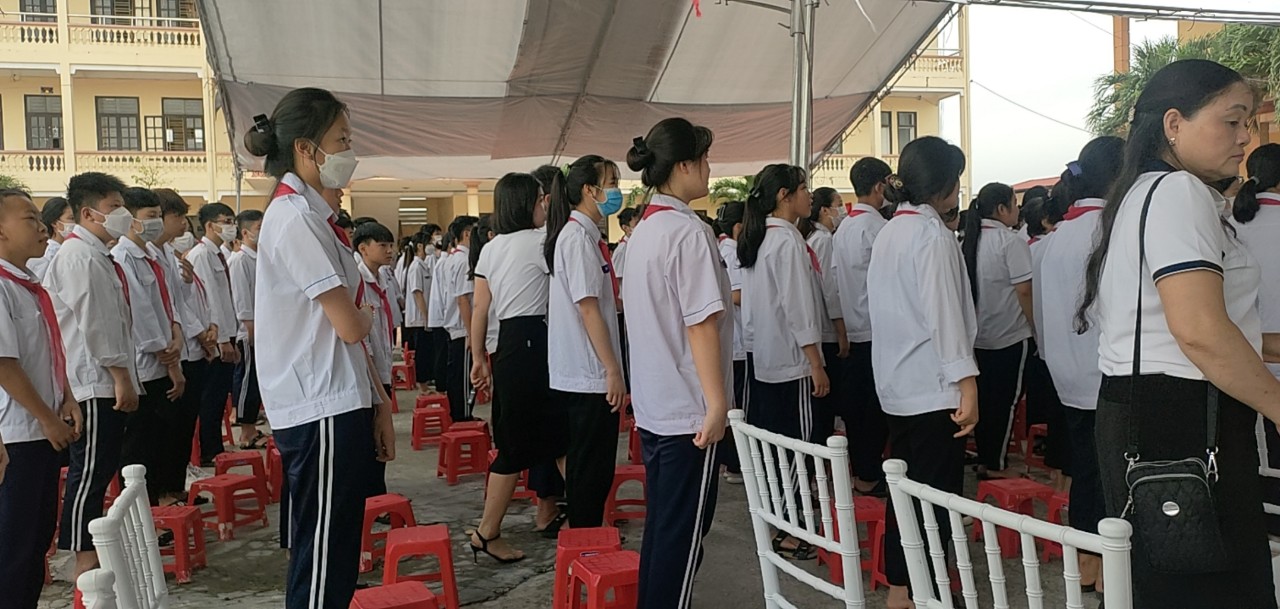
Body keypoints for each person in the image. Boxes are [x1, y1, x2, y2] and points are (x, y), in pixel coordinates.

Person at [1079, 59, 1280, 609]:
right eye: (1232, 121)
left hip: (1153, 411)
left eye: (1248, 124)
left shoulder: (1147, 191)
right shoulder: (1177, 192)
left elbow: (1181, 325)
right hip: (1184, 419)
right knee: (1213, 586)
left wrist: (1271, 346)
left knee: (1176, 580)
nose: (1245, 138)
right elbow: (1199, 332)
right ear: (1174, 124)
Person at [244, 87, 396, 609]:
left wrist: (378, 402)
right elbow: (350, 325)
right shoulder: (294, 218)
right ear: (306, 149)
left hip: (338, 397)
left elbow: (346, 330)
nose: (349, 152)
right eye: (342, 140)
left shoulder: (310, 215)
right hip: (320, 403)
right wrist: (366, 314)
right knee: (323, 555)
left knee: (336, 546)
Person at [623, 118, 731, 609]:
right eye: (705, 160)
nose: (709, 170)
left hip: (658, 403)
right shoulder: (688, 232)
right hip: (688, 409)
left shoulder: (645, 230)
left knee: (665, 530)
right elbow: (700, 324)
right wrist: (716, 404)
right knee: (682, 538)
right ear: (684, 165)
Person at [866, 136, 975, 609]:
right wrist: (967, 384)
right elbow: (946, 317)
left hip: (897, 384)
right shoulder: (931, 235)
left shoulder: (891, 230)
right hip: (933, 388)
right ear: (945, 185)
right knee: (935, 498)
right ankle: (924, 593)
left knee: (904, 493)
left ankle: (901, 590)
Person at [1034, 136, 1125, 591]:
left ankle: (1089, 562)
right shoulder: (1110, 230)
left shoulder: (1057, 237)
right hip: (1107, 373)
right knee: (1111, 474)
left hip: (1067, 374)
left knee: (1086, 470)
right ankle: (1105, 567)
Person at [44, 172, 141, 584]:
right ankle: (83, 557)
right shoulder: (80, 257)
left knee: (100, 467)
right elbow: (96, 324)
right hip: (94, 380)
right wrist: (120, 376)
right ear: (87, 213)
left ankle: (90, 549)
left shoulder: (96, 254)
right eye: (113, 207)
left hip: (103, 376)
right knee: (91, 471)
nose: (122, 214)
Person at [466, 174, 565, 562]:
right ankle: (488, 531)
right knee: (551, 436)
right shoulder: (542, 242)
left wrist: (478, 357)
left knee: (532, 439)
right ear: (527, 203)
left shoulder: (492, 248)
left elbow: (480, 308)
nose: (544, 205)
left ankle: (590, 523)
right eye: (541, 198)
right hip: (536, 339)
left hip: (507, 343)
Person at [737, 163, 831, 561]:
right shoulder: (787, 241)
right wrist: (815, 362)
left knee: (777, 446)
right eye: (804, 188)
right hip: (792, 362)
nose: (810, 195)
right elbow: (798, 308)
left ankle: (779, 521)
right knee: (798, 446)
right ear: (783, 195)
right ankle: (789, 528)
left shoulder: (760, 238)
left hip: (766, 358)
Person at [0, 189, 82, 609]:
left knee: (36, 542)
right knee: (13, 547)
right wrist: (46, 418)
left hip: (42, 428)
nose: (41, 227)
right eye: (29, 218)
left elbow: (46, 351)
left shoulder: (27, 286)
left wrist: (66, 397)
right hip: (18, 434)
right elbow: (5, 364)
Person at [544, 155, 626, 529]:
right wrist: (612, 370)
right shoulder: (576, 238)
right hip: (589, 372)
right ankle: (585, 541)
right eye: (611, 183)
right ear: (589, 191)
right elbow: (589, 309)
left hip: (587, 370)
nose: (616, 191)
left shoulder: (586, 237)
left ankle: (585, 534)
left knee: (591, 467)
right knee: (590, 469)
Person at [113, 188, 186, 489]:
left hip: (165, 355)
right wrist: (169, 359)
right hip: (146, 364)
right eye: (150, 216)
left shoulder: (151, 255)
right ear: (131, 220)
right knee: (139, 445)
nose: (156, 222)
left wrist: (177, 333)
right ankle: (142, 505)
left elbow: (166, 303)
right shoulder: (123, 257)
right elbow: (141, 313)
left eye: (158, 215)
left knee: (160, 437)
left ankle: (158, 498)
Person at [960, 182, 1034, 479]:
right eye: (1014, 204)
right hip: (1009, 334)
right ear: (1002, 209)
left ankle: (986, 457)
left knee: (984, 400)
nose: (1018, 210)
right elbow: (1024, 291)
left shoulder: (968, 240)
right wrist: (1035, 328)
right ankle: (995, 464)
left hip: (978, 337)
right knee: (1004, 403)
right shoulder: (1009, 241)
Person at [832, 156, 893, 496]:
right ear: (880, 186)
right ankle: (869, 474)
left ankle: (863, 470)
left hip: (854, 327)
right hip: (876, 329)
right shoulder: (877, 229)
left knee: (859, 409)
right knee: (874, 409)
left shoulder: (844, 228)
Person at [150, 188, 209, 506]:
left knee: (184, 425)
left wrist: (186, 283)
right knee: (165, 430)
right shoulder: (146, 255)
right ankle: (162, 491)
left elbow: (178, 302)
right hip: (167, 354)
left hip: (184, 348)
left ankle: (174, 485)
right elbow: (157, 310)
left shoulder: (168, 255)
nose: (184, 223)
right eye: (177, 216)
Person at [187, 201, 240, 466]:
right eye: (226, 221)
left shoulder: (217, 254)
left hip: (227, 333)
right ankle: (210, 450)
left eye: (232, 221)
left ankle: (216, 446)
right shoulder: (201, 255)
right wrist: (221, 340)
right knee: (211, 398)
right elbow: (210, 300)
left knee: (219, 397)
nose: (231, 227)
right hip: (216, 337)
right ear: (210, 225)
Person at [797, 186, 849, 445]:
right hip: (827, 331)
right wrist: (841, 331)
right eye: (838, 204)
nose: (842, 210)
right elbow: (830, 289)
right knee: (826, 403)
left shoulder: (812, 238)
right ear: (825, 210)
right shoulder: (824, 240)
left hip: (820, 328)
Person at [355, 220, 398, 497]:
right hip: (368, 370)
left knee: (382, 434)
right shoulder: (357, 281)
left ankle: (377, 493)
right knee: (372, 435)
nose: (389, 250)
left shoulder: (383, 278)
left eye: (391, 245)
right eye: (382, 245)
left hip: (383, 365)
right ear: (363, 248)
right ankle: (371, 497)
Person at [229, 209, 268, 449]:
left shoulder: (261, 258)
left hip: (264, 329)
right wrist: (251, 331)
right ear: (245, 233)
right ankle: (246, 431)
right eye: (259, 229)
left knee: (258, 380)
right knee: (248, 380)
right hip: (249, 331)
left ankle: (252, 424)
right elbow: (241, 300)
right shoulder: (240, 260)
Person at [714, 201, 746, 484]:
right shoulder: (732, 253)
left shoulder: (725, 249)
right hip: (737, 343)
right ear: (738, 227)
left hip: (734, 342)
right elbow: (736, 295)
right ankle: (735, 463)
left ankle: (731, 462)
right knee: (738, 408)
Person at [442, 215, 479, 422]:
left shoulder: (452, 259)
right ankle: (463, 416)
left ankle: (459, 413)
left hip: (456, 325)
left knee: (457, 373)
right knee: (464, 376)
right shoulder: (464, 261)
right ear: (467, 234)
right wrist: (472, 333)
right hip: (463, 326)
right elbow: (463, 299)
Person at [404, 235, 435, 393]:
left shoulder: (424, 265)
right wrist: (426, 316)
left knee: (427, 351)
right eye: (429, 243)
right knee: (422, 352)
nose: (432, 246)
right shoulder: (416, 267)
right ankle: (422, 384)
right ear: (420, 246)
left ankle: (425, 382)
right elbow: (418, 293)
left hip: (424, 317)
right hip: (419, 318)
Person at [28, 197, 71, 281]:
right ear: (55, 223)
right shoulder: (46, 254)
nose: (75, 223)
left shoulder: (68, 248)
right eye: (71, 218)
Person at [613, 206, 640, 290]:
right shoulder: (622, 250)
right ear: (625, 228)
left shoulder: (637, 244)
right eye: (636, 224)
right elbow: (617, 278)